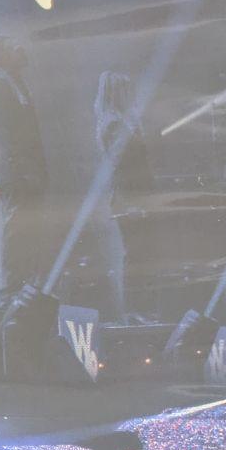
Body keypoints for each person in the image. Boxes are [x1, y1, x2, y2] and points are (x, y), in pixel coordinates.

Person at [0, 36, 48, 304]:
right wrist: (25, 171)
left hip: (26, 171)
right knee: (16, 229)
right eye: (12, 48)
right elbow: (7, 137)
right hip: (15, 172)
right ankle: (10, 289)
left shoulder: (14, 84)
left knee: (27, 229)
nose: (20, 50)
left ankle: (24, 286)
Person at [92, 71, 156, 321]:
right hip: (129, 198)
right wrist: (132, 203)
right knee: (136, 255)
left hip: (133, 197)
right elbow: (122, 166)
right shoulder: (114, 125)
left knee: (141, 254)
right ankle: (135, 311)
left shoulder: (120, 122)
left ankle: (140, 309)